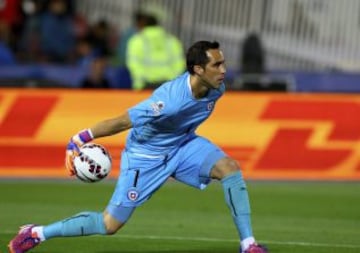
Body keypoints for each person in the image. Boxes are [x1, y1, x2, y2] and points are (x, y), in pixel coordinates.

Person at [7, 41, 267, 253]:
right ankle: (37, 233)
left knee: (230, 168)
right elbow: (122, 121)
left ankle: (248, 245)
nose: (224, 70)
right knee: (109, 224)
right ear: (198, 70)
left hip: (182, 144)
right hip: (145, 157)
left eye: (223, 63)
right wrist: (78, 139)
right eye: (217, 64)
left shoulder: (217, 89)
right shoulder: (168, 101)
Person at [126, 14, 185, 90]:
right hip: (169, 86)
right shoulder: (172, 41)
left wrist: (142, 79)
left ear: (142, 25)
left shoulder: (136, 41)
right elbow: (180, 64)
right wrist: (173, 78)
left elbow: (133, 64)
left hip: (144, 85)